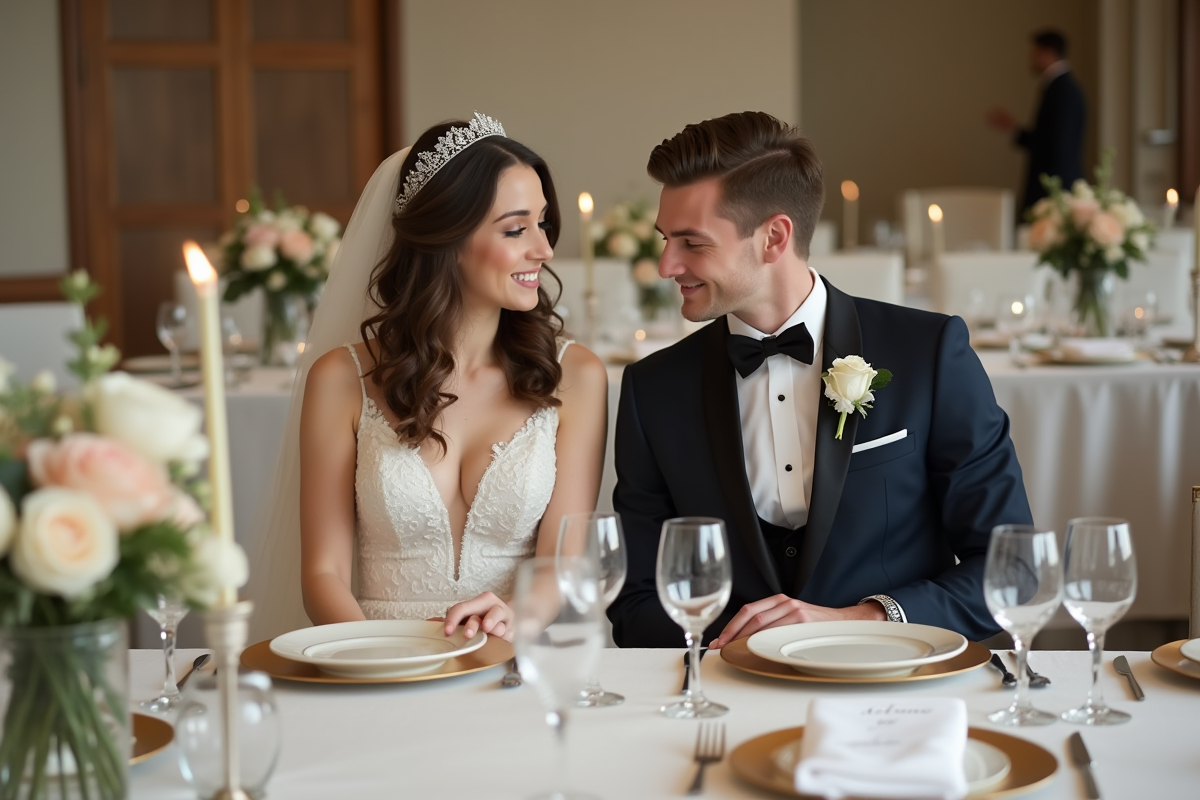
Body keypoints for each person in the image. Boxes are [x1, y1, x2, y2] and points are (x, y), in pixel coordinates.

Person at [608, 111, 1032, 649]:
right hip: (728, 686)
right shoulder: (653, 389)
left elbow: (1012, 570)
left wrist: (863, 621)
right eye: (666, 239)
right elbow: (635, 603)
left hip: (899, 680)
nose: (666, 265)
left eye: (692, 242)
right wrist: (741, 646)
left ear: (774, 237)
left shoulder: (928, 353)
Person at [248, 114, 607, 643]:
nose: (544, 249)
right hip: (375, 658)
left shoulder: (575, 375)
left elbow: (561, 562)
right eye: (516, 229)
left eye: (542, 223)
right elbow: (322, 575)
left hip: (509, 659)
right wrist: (378, 656)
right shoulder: (341, 378)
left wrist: (515, 618)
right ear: (447, 237)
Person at [986, 29, 1087, 214]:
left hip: (1054, 191)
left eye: (1034, 53)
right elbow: (1048, 138)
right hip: (1052, 188)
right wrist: (1015, 129)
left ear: (1047, 52)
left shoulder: (1063, 90)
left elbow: (1057, 147)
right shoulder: (1057, 87)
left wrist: (1049, 196)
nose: (1030, 59)